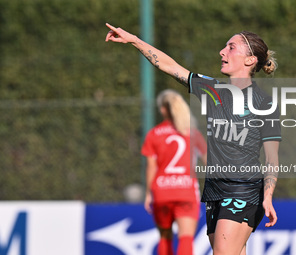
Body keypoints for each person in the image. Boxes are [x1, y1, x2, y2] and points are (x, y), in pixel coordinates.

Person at [105, 24, 281, 255]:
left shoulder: (264, 104)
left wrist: (267, 196)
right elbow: (170, 66)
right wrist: (135, 40)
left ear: (250, 60)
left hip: (244, 190)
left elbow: (272, 157)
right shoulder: (212, 90)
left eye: (231, 47)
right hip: (214, 190)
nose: (222, 51)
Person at [141, 89, 207, 255]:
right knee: (186, 238)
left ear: (163, 109)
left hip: (162, 191)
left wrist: (148, 193)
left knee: (164, 237)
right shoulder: (192, 133)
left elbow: (151, 167)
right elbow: (210, 163)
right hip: (186, 191)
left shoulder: (154, 134)